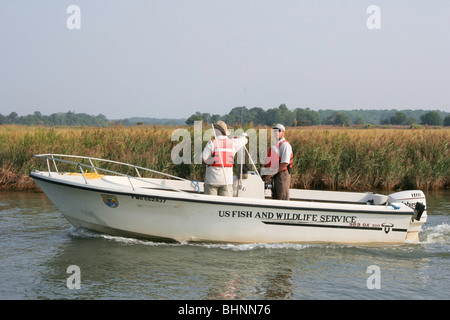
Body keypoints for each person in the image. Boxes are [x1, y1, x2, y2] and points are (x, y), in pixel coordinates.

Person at [202, 121, 248, 196]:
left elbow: (203, 158)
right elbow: (245, 140)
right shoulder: (233, 143)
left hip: (212, 180)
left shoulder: (212, 143)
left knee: (211, 204)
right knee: (225, 205)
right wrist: (238, 137)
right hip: (227, 181)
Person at [263, 123, 293, 200]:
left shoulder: (285, 145)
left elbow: (285, 163)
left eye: (278, 131)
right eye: (274, 131)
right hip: (275, 174)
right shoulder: (276, 144)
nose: (276, 133)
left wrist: (272, 173)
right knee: (275, 197)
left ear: (283, 133)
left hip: (282, 174)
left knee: (283, 197)